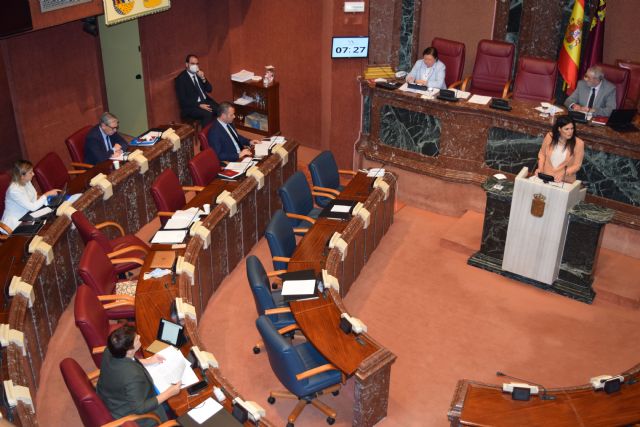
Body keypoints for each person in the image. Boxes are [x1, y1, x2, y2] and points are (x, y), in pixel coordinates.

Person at [97, 325, 181, 427]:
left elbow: (124, 361)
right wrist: (169, 393)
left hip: (112, 398)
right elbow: (140, 408)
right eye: (136, 339)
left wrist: (147, 361)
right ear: (129, 350)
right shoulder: (133, 377)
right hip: (131, 413)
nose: (140, 337)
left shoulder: (110, 350)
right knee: (178, 404)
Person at [1, 160, 59, 233]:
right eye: (30, 172)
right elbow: (33, 207)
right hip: (16, 222)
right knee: (43, 231)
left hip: (28, 215)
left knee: (52, 218)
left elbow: (34, 197)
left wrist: (49, 201)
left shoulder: (26, 181)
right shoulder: (14, 190)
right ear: (22, 176)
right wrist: (47, 194)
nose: (33, 174)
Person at [536, 115, 585, 183]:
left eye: (572, 128)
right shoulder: (549, 137)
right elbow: (542, 154)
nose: (570, 132)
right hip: (546, 177)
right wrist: (540, 168)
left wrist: (563, 173)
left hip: (565, 181)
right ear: (559, 129)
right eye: (566, 129)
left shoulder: (579, 143)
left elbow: (577, 165)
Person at [175, 54, 218, 126]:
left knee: (221, 109)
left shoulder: (199, 74)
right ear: (187, 64)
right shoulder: (181, 79)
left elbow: (209, 89)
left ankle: (217, 133)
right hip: (191, 106)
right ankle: (204, 136)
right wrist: (199, 105)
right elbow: (183, 100)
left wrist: (203, 78)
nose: (195, 66)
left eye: (197, 64)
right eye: (192, 64)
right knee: (208, 114)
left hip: (205, 101)